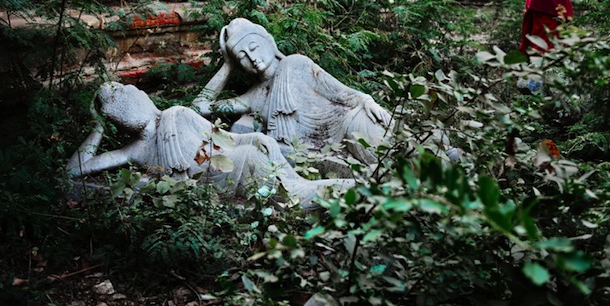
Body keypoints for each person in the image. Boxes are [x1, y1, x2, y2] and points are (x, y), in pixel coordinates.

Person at [67, 82, 354, 209]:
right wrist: (98, 126)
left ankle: (346, 192)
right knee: (293, 194)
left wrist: (253, 137)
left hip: (239, 160)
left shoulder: (178, 114)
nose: (124, 108)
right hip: (219, 180)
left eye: (125, 96)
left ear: (143, 96)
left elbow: (224, 138)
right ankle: (348, 192)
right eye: (114, 110)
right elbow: (75, 170)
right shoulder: (135, 150)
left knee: (294, 190)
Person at [192, 18, 392, 167]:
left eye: (253, 47)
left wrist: (367, 101)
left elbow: (341, 93)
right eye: (242, 56)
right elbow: (199, 107)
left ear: (269, 42)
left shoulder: (296, 64)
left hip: (353, 123)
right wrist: (228, 65)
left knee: (385, 155)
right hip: (318, 154)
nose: (252, 58)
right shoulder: (253, 97)